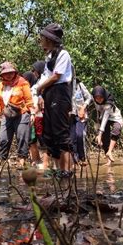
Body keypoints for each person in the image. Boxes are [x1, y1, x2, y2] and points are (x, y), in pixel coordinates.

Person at [36, 23, 74, 177]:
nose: (41, 42)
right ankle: (58, 169)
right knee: (49, 133)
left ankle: (67, 170)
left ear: (50, 40)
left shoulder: (63, 54)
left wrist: (39, 88)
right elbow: (45, 77)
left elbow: (56, 76)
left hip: (60, 92)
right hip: (49, 93)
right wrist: (39, 94)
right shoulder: (49, 57)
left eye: (43, 39)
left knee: (61, 131)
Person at [0, 62, 34, 170]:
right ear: (2, 75)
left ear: (14, 72)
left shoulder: (22, 83)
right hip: (7, 115)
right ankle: (0, 166)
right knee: (3, 139)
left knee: (22, 138)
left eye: (11, 73)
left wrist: (32, 113)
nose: (9, 75)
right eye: (6, 73)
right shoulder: (1, 86)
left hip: (22, 113)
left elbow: (29, 99)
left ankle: (22, 163)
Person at [92, 86, 123, 166]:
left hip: (114, 117)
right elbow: (98, 115)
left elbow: (106, 117)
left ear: (104, 96)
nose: (99, 100)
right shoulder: (93, 100)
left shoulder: (109, 102)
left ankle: (109, 151)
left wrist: (99, 134)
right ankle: (108, 160)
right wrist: (98, 132)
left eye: (100, 98)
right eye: (97, 98)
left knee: (116, 129)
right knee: (105, 138)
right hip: (102, 118)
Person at [70, 79, 92, 165]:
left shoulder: (79, 85)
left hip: (81, 114)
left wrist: (83, 107)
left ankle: (82, 157)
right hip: (70, 115)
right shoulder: (63, 86)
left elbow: (89, 97)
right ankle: (75, 159)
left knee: (80, 135)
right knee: (72, 138)